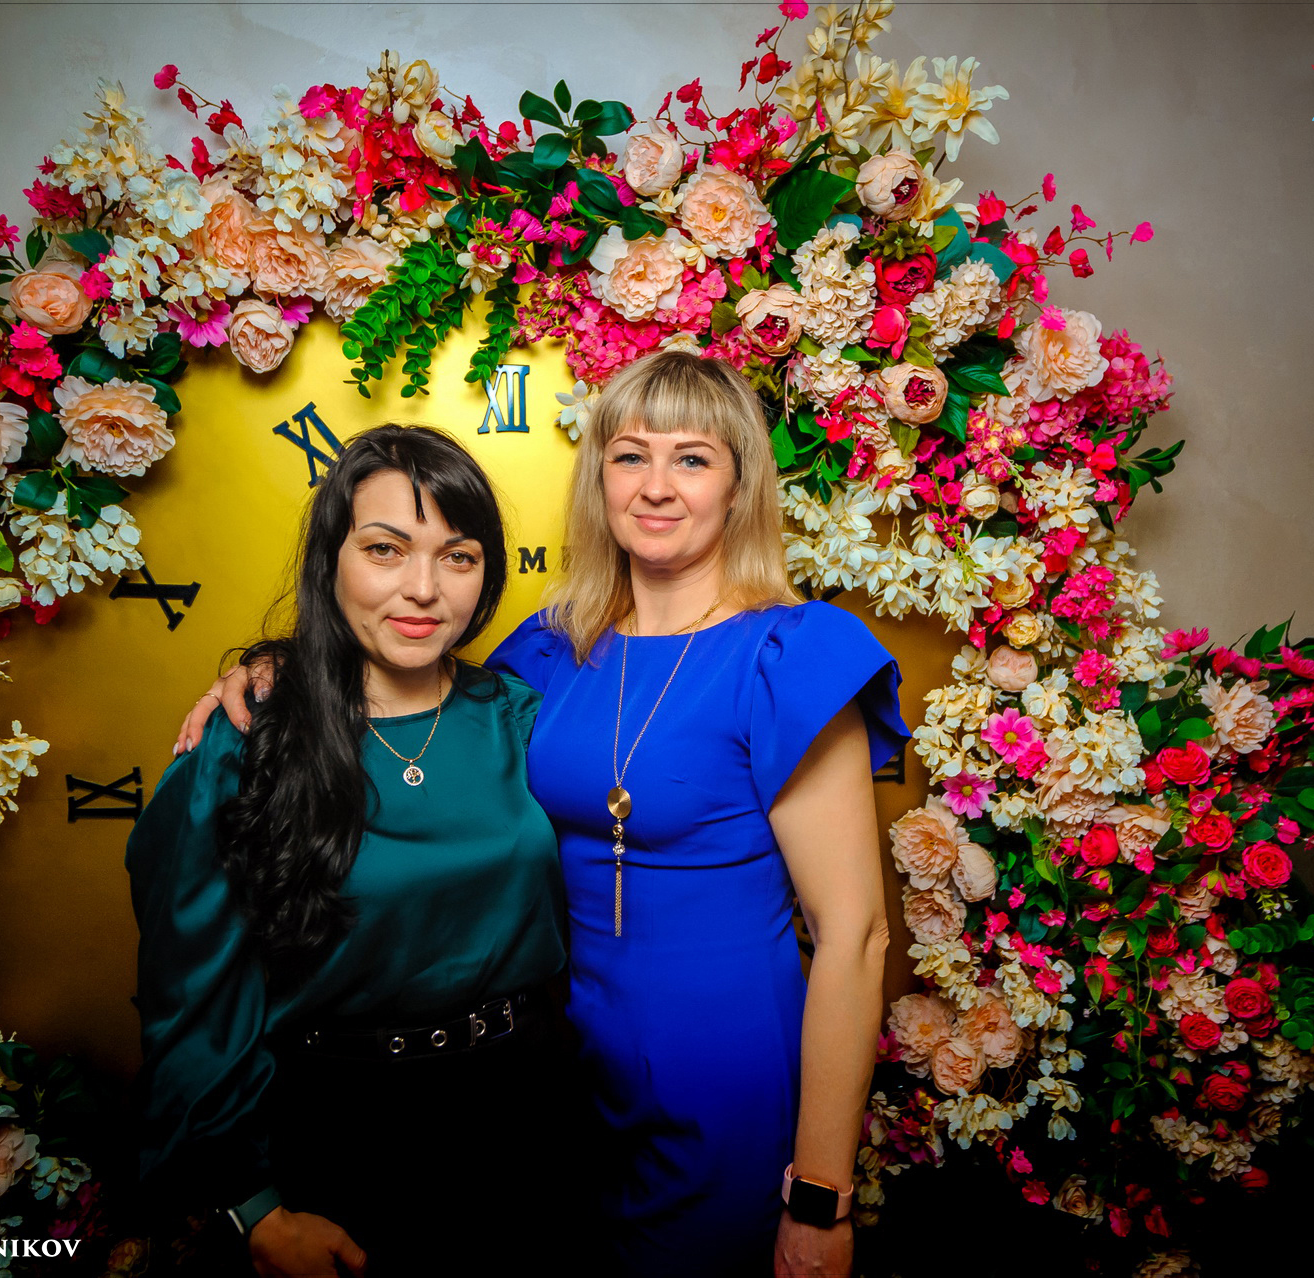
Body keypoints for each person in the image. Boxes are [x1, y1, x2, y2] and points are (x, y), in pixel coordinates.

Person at [182, 352, 908, 1278]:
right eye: (629, 455)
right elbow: (407, 680)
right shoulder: (548, 652)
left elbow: (856, 937)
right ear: (598, 476)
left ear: (740, 487)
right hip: (555, 1086)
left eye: (692, 459)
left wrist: (820, 1196)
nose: (655, 486)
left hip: (722, 1077)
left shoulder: (789, 653)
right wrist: (279, 670)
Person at [131, 424, 594, 1277]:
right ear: (331, 561)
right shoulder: (247, 741)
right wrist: (254, 1207)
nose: (423, 589)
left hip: (529, 1114)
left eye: (458, 557)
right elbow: (189, 995)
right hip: (337, 1133)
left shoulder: (520, 715)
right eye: (385, 549)